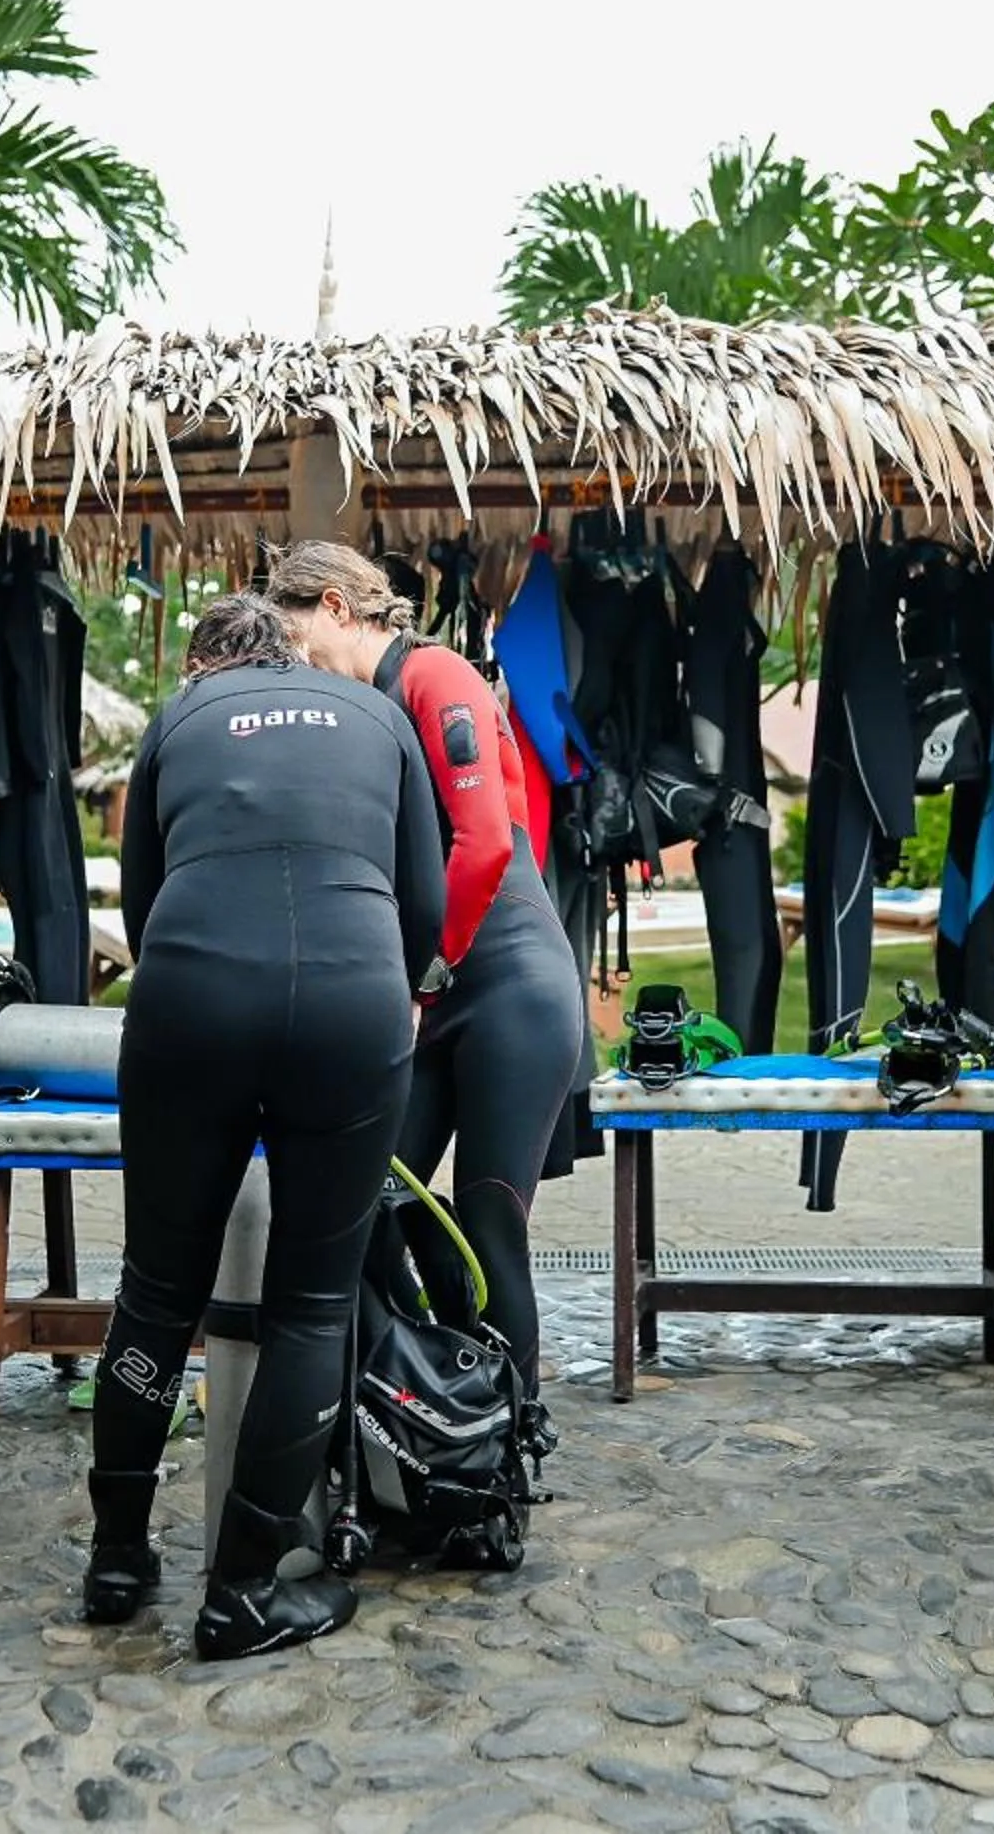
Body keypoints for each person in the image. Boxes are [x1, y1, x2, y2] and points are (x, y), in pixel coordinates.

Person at [83, 592, 448, 1658]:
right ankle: (243, 1588)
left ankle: (116, 1558)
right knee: (312, 1303)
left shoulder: (178, 722)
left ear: (205, 666)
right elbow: (419, 907)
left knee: (157, 1290)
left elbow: (143, 910)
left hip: (191, 999)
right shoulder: (377, 718)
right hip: (350, 1001)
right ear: (294, 649)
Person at [267, 542, 588, 1449]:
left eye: (294, 636)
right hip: (434, 995)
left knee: (489, 1222)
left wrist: (420, 975)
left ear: (335, 605)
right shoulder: (357, 713)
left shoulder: (435, 673)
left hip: (508, 992)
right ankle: (437, 1381)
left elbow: (484, 844)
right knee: (362, 1203)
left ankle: (514, 1438)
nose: (292, 659)